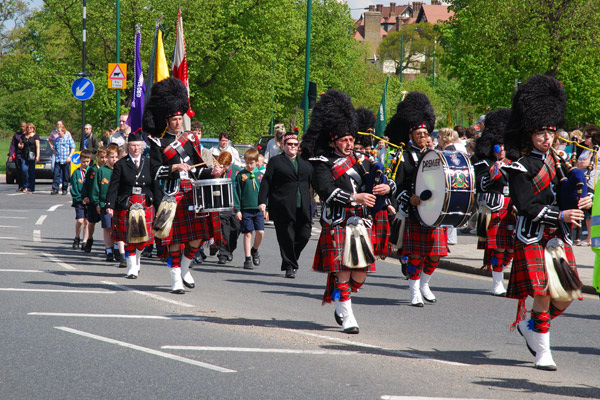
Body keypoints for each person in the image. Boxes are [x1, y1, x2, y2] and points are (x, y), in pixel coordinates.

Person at [503, 74, 591, 371]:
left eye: (551, 132)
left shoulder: (559, 164)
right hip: (532, 235)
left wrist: (581, 202)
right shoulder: (520, 167)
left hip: (557, 238)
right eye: (541, 133)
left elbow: (565, 196)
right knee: (542, 292)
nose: (547, 138)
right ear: (530, 134)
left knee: (566, 295)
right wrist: (561, 214)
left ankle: (531, 327)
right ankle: (543, 352)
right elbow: (525, 206)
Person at [301, 89, 392, 334]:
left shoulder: (363, 161)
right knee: (343, 271)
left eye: (351, 139)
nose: (349, 143)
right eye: (344, 140)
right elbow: (327, 192)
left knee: (360, 275)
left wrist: (386, 187)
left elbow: (385, 180)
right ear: (333, 141)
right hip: (338, 222)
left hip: (362, 224)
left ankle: (341, 304)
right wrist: (355, 197)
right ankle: (349, 316)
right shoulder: (322, 163)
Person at [146, 77, 223, 294]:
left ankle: (185, 268)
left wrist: (213, 171)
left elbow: (198, 169)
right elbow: (153, 172)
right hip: (171, 194)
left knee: (198, 237)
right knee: (173, 241)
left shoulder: (190, 140)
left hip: (192, 193)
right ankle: (175, 281)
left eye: (180, 118)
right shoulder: (158, 143)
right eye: (174, 119)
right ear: (167, 120)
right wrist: (173, 168)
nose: (178, 122)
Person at [386, 91, 447, 307]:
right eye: (419, 134)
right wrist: (407, 198)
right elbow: (395, 185)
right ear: (411, 135)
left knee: (436, 254)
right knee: (415, 255)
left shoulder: (435, 156)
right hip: (413, 210)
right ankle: (414, 291)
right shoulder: (402, 156)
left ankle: (424, 284)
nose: (423, 137)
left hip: (434, 210)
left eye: (425, 133)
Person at [258, 129, 313, 278]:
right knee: (286, 237)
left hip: (303, 205)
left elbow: (313, 181)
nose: (293, 147)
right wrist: (262, 201)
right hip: (282, 205)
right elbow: (266, 182)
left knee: (305, 234)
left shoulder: (305, 162)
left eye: (295, 144)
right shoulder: (276, 161)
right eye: (289, 144)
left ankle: (291, 258)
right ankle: (289, 266)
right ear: (283, 145)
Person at [473, 108, 514, 296]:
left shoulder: (515, 161)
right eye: (498, 146)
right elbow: (480, 184)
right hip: (494, 205)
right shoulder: (482, 162)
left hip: (513, 206)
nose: (502, 149)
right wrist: (493, 173)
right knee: (499, 246)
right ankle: (498, 282)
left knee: (511, 248)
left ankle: (501, 272)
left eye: (504, 145)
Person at [106, 132, 158, 279]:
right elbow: (114, 186)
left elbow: (155, 186)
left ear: (142, 147)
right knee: (128, 238)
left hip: (145, 202)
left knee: (143, 240)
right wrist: (110, 204)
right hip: (126, 203)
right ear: (129, 147)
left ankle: (137, 257)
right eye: (133, 145)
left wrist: (158, 203)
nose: (136, 148)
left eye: (138, 146)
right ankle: (131, 267)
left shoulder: (149, 163)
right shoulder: (121, 164)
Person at [233, 148, 264, 270]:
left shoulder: (261, 175)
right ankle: (247, 259)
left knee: (260, 232)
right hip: (246, 209)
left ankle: (255, 250)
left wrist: (266, 206)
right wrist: (238, 209)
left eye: (251, 163)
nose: (249, 165)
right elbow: (237, 193)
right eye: (247, 163)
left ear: (257, 162)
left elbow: (264, 192)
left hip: (259, 209)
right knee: (247, 233)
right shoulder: (241, 175)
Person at [91, 146, 119, 261]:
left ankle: (117, 248)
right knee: (107, 227)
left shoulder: (120, 169)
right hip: (104, 204)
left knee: (116, 227)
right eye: (111, 157)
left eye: (116, 157)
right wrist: (97, 202)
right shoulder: (102, 170)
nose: (114, 159)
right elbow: (96, 188)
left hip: (117, 204)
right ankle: (108, 249)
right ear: (107, 158)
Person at [214, 151, 241, 264]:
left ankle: (230, 250)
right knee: (224, 231)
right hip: (223, 205)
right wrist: (216, 175)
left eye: (226, 165)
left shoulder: (237, 171)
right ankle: (223, 255)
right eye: (222, 165)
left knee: (235, 230)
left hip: (235, 205)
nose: (223, 167)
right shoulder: (216, 171)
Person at [81, 147, 107, 253]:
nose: (104, 160)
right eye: (101, 157)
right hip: (93, 200)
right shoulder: (92, 169)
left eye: (106, 157)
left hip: (104, 200)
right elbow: (87, 185)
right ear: (97, 157)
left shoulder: (109, 169)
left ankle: (108, 246)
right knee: (91, 222)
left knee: (107, 226)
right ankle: (90, 239)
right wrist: (85, 196)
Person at [70, 150, 92, 250]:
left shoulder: (91, 172)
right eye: (83, 161)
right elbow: (74, 188)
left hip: (89, 200)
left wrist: (89, 198)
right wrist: (80, 198)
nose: (85, 164)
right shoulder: (76, 173)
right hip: (79, 201)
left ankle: (85, 241)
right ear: (80, 160)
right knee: (80, 220)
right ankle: (77, 237)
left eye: (87, 161)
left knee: (87, 222)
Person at [51, 125, 76, 195]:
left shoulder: (68, 139)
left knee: (65, 175)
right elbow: (54, 148)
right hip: (58, 160)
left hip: (65, 159)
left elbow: (73, 147)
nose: (58, 133)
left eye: (59, 131)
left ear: (63, 131)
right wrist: (56, 156)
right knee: (56, 174)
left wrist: (70, 156)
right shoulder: (57, 139)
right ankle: (55, 189)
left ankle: (64, 189)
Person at [18, 123, 40, 194]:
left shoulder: (35, 136)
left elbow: (38, 146)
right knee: (24, 170)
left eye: (31, 127)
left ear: (33, 128)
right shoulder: (24, 136)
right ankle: (25, 186)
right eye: (28, 127)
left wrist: (37, 156)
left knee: (31, 172)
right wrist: (20, 145)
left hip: (32, 156)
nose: (29, 129)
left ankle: (31, 188)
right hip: (24, 155)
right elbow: (20, 143)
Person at [8, 121, 27, 191]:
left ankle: (26, 185)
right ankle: (20, 186)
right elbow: (12, 146)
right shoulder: (16, 135)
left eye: (24, 126)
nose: (22, 128)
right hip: (18, 155)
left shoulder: (28, 135)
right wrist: (10, 155)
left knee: (24, 170)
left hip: (25, 155)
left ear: (26, 127)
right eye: (21, 126)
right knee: (19, 171)